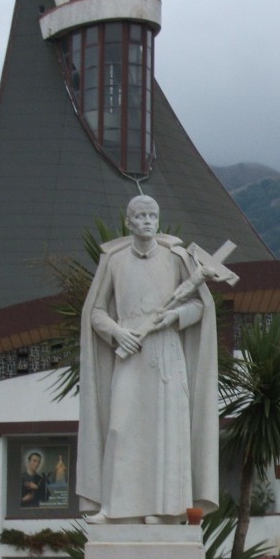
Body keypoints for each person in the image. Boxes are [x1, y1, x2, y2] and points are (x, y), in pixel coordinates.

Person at [76, 195, 219, 522]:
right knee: (120, 427)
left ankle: (164, 510)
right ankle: (114, 508)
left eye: (152, 215)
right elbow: (96, 312)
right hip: (130, 351)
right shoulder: (114, 260)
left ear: (159, 219)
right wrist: (116, 332)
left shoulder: (175, 258)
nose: (147, 221)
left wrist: (174, 317)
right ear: (129, 221)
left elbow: (199, 306)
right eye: (140, 216)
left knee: (166, 431)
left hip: (165, 350)